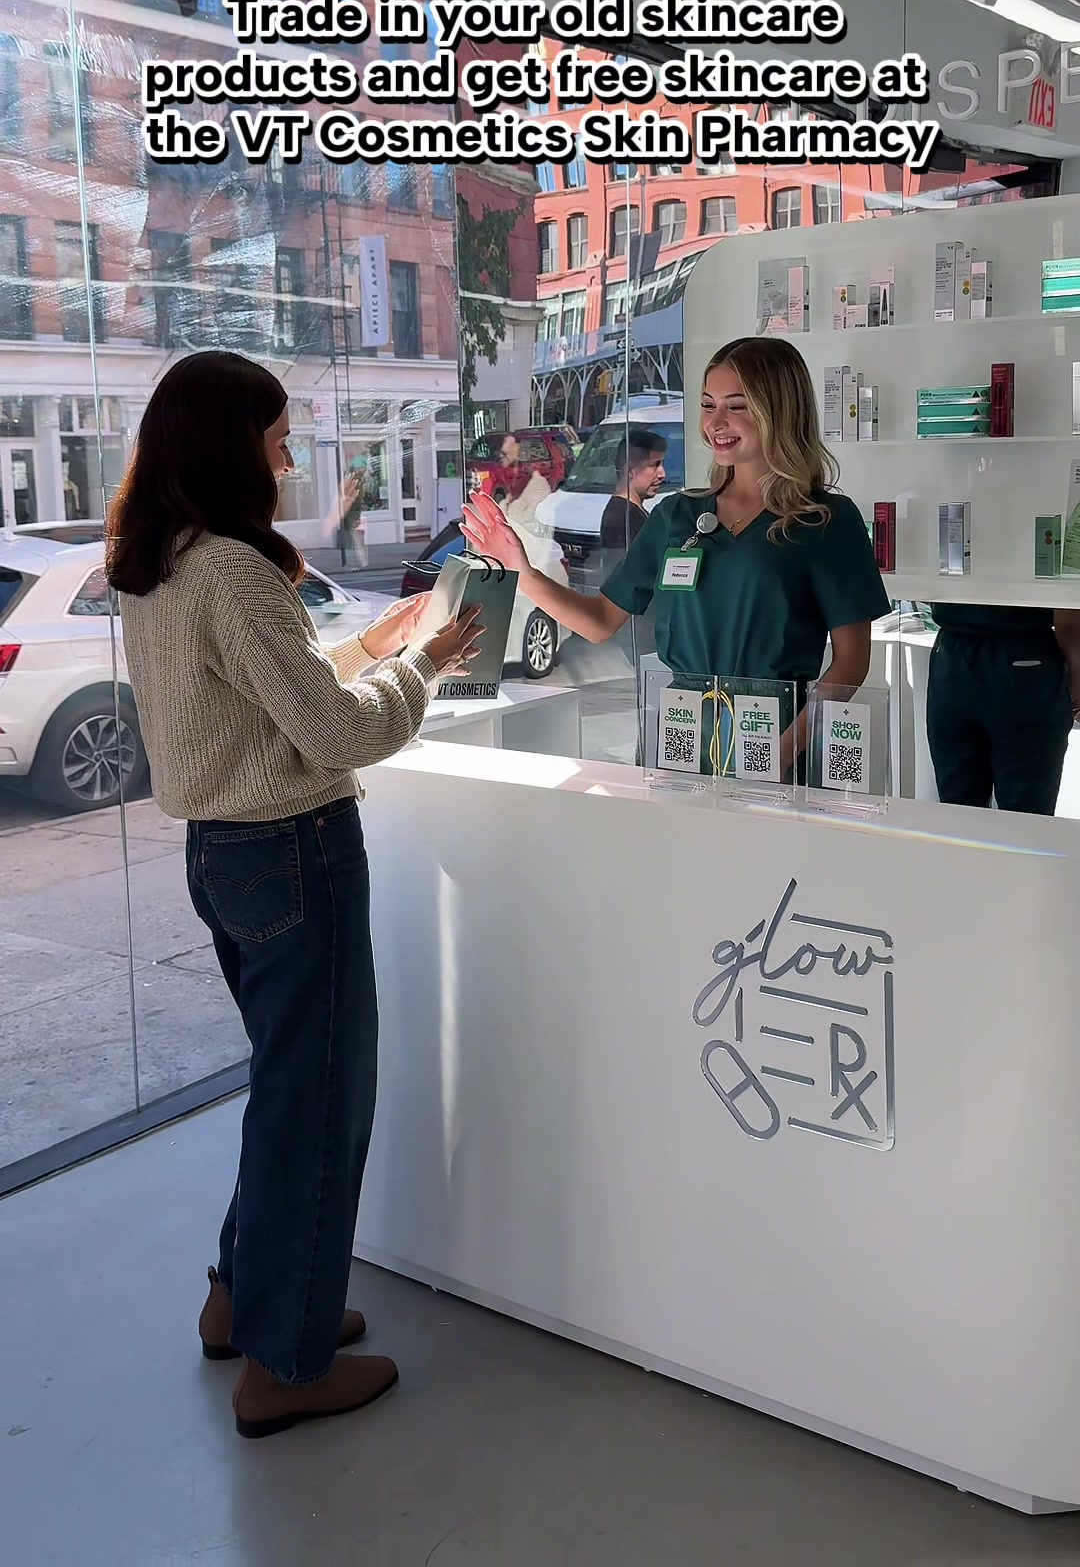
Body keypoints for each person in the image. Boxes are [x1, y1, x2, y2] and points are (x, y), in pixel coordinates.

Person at [107, 351, 480, 1440]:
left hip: (225, 857)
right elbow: (334, 731)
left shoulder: (166, 559)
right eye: (275, 440)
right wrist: (426, 669)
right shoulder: (232, 570)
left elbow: (263, 692)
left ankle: (247, 1301)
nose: (285, 460)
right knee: (317, 1102)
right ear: (230, 446)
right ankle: (287, 1360)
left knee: (286, 1091)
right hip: (294, 852)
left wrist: (377, 644)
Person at [464, 336, 890, 772]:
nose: (716, 422)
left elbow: (852, 661)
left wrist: (784, 751)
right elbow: (599, 622)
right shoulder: (676, 516)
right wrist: (521, 570)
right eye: (708, 405)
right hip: (682, 728)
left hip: (776, 733)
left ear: (779, 410)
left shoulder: (824, 521)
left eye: (736, 406)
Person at [925, 601, 1080, 814]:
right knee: (1025, 813)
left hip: (952, 653)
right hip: (1024, 657)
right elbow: (1068, 619)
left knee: (959, 809)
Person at [600, 427, 668, 676]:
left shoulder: (632, 513)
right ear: (630, 470)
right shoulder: (623, 519)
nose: (662, 474)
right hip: (645, 636)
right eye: (654, 465)